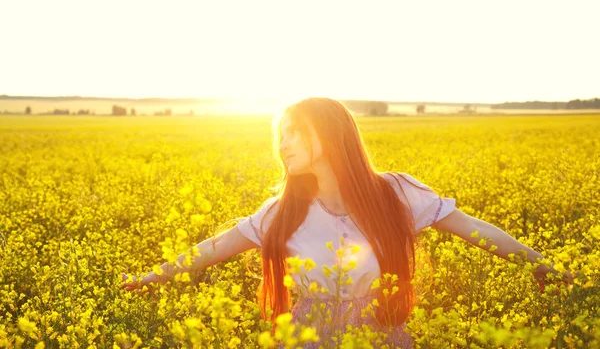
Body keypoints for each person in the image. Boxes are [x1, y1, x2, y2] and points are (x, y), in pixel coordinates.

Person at [122, 97, 574, 348]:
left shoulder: (394, 194)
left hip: (379, 333)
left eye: (295, 132)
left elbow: (479, 231)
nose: (284, 144)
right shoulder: (283, 211)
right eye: (280, 135)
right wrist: (150, 277)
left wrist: (539, 264)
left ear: (332, 133)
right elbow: (212, 247)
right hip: (303, 340)